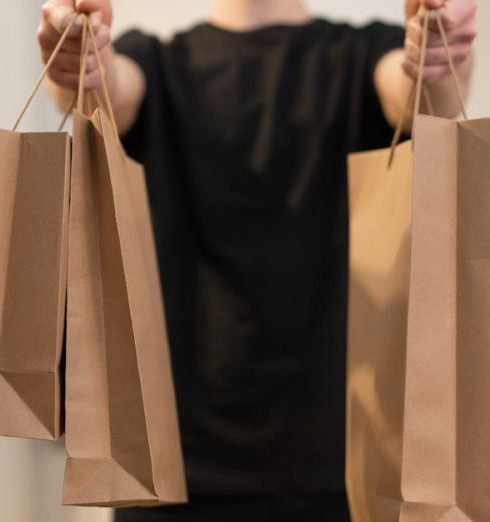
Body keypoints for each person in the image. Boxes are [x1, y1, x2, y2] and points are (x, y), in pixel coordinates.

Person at [37, 0, 477, 520]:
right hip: (168, 476)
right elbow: (105, 88)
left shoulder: (364, 55)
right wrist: (81, 59)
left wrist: (436, 48)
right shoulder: (153, 62)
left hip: (350, 476)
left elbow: (422, 93)